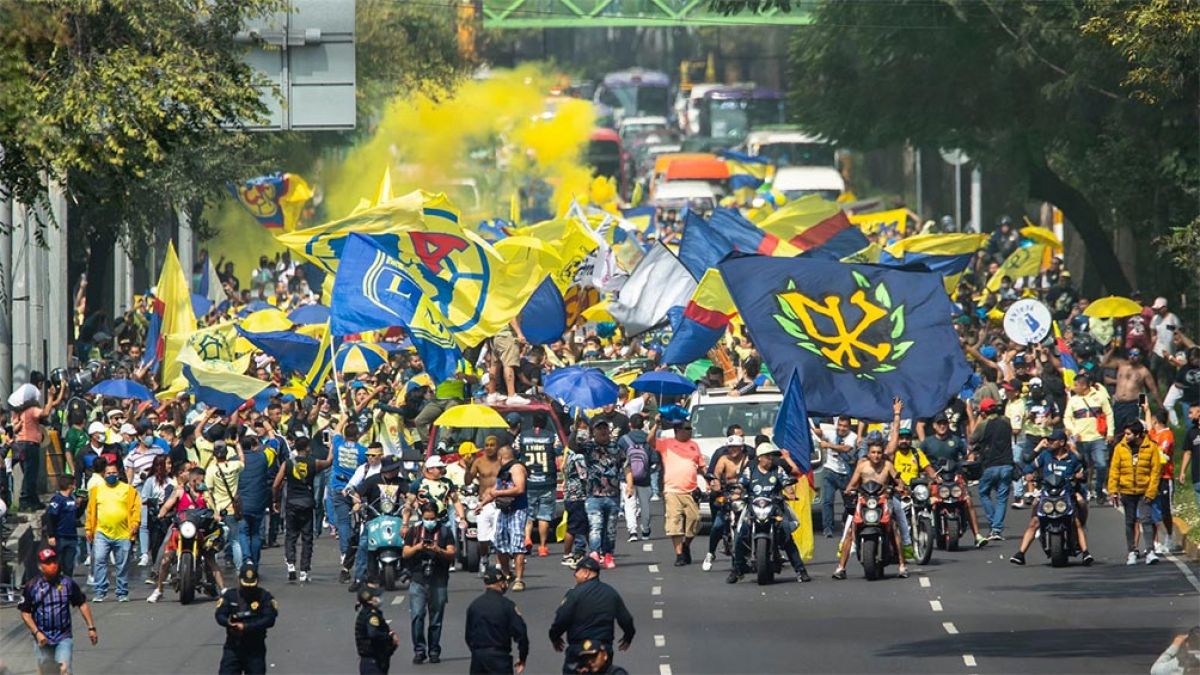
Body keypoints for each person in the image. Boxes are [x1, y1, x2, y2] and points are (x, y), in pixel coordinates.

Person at [727, 443, 811, 584]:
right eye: (767, 456)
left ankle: (800, 571)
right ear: (760, 458)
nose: (771, 458)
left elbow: (786, 483)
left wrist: (790, 493)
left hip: (774, 508)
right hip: (753, 508)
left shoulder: (777, 470)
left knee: (786, 534)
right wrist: (736, 494)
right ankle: (737, 570)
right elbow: (741, 485)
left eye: (771, 456)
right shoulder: (750, 470)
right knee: (741, 535)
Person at [1009, 430, 1093, 566]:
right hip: (1047, 494)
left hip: (1067, 494)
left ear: (1061, 442)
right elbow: (1029, 466)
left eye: (1052, 440)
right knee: (1034, 521)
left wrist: (1080, 476)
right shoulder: (1045, 455)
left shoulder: (1072, 458)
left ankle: (1085, 553)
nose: (1049, 443)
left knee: (1077, 516)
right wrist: (1028, 475)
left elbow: (1083, 470)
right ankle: (1020, 553)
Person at [148, 466, 227, 603]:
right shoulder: (179, 491)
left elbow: (214, 510)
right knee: (166, 559)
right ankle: (159, 589)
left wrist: (217, 516)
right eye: (201, 481)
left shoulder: (206, 494)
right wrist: (161, 514)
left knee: (210, 558)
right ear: (193, 480)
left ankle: (223, 589)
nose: (202, 483)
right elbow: (167, 506)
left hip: (199, 530)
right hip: (180, 529)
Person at [833, 435, 907, 580]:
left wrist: (900, 487)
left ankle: (902, 565)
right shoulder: (862, 466)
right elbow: (852, 484)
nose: (876, 455)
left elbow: (899, 481)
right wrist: (848, 491)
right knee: (850, 530)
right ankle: (841, 568)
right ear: (868, 453)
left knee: (894, 528)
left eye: (879, 452)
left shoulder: (888, 465)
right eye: (873, 452)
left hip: (883, 500)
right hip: (864, 501)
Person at [549, 556, 635, 675]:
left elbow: (561, 618)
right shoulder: (610, 593)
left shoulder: (574, 594)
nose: (575, 576)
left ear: (586, 572)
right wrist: (628, 636)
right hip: (602, 649)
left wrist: (555, 637)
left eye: (576, 572)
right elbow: (626, 619)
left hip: (578, 649)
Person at [18, 547, 98, 675]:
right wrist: (37, 632)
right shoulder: (32, 586)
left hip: (63, 636)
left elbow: (82, 604)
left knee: (64, 670)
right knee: (45, 671)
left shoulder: (67, 583)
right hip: (42, 638)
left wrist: (91, 628)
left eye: (54, 562)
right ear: (40, 566)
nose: (53, 565)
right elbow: (25, 613)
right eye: (48, 563)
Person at [272, 435, 333, 583]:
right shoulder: (314, 462)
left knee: (291, 536)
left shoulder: (287, 464)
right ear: (307, 448)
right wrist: (332, 446)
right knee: (307, 538)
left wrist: (276, 500)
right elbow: (329, 462)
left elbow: (276, 484)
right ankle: (304, 571)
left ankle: (291, 565)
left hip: (292, 503)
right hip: (307, 503)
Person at [402, 501, 456, 664]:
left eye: (432, 518)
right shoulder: (414, 531)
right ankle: (419, 650)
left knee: (436, 618)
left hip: (438, 579)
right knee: (417, 616)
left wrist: (438, 550)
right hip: (418, 579)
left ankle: (434, 650)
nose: (430, 521)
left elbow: (452, 553)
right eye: (427, 518)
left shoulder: (445, 531)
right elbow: (405, 553)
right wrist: (418, 547)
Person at [647, 418, 705, 566]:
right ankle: (679, 554)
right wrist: (656, 424)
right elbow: (650, 440)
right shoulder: (667, 444)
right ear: (677, 431)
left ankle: (686, 545)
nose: (689, 431)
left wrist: (710, 480)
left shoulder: (694, 445)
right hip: (672, 490)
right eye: (686, 429)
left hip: (690, 490)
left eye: (690, 429)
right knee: (675, 523)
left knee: (695, 520)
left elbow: (701, 466)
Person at [1108, 420, 1163, 565]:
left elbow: (1155, 471)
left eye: (1128, 434)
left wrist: (1151, 492)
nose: (1125, 436)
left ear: (1137, 434)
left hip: (1144, 491)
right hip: (1126, 491)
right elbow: (1114, 470)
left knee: (1146, 520)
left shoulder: (1151, 447)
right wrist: (1113, 491)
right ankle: (1131, 551)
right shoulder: (1120, 448)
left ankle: (1150, 551)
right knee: (1130, 522)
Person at [85, 461, 141, 602]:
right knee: (99, 560)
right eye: (108, 473)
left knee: (122, 564)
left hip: (123, 534)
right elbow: (90, 511)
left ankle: (122, 592)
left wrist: (135, 523)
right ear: (104, 474)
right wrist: (88, 529)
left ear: (118, 474)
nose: (111, 475)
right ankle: (100, 592)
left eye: (114, 473)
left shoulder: (128, 490)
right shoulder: (96, 490)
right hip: (101, 533)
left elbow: (136, 509)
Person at [353, 456, 411, 589]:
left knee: (407, 540)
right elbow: (357, 494)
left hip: (395, 518)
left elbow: (409, 494)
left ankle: (407, 570)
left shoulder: (400, 482)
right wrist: (357, 503)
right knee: (363, 545)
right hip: (374, 519)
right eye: (391, 469)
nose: (394, 472)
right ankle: (360, 578)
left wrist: (409, 501)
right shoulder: (372, 481)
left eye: (396, 469)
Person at [577, 420, 626, 568]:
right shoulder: (588, 447)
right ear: (594, 432)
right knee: (596, 526)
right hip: (594, 495)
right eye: (599, 428)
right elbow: (573, 446)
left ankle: (608, 555)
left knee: (610, 529)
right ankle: (594, 553)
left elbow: (625, 465)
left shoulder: (616, 448)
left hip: (613, 495)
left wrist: (629, 484)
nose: (603, 431)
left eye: (605, 428)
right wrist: (575, 428)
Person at [215, 562, 278, 675]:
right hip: (233, 647)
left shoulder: (264, 597)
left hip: (255, 647)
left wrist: (246, 627)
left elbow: (270, 619)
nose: (249, 589)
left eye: (251, 586)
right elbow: (220, 614)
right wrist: (228, 622)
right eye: (246, 585)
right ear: (239, 580)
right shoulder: (230, 596)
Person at [466, 564, 530, 675]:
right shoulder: (507, 606)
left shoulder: (474, 606)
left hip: (478, 659)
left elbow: (468, 636)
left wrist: (478, 653)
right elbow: (521, 634)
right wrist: (522, 657)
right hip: (499, 658)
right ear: (501, 583)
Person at [482, 444, 529, 591]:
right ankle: (507, 574)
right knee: (499, 543)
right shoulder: (503, 471)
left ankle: (519, 579)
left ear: (501, 457)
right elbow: (496, 490)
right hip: (504, 510)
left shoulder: (516, 468)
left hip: (517, 510)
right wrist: (482, 504)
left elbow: (520, 488)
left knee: (517, 544)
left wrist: (498, 494)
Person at [1062, 373, 1114, 505]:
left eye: (1076, 385)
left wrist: (1110, 432)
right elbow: (1067, 418)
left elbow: (1109, 414)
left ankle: (1098, 489)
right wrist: (1073, 432)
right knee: (1084, 467)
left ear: (1084, 385)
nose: (1074, 387)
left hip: (1098, 437)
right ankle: (1085, 492)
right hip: (1081, 439)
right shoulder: (1073, 400)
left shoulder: (1099, 396)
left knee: (1101, 464)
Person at [969, 398, 1014, 540]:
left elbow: (972, 439)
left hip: (990, 465)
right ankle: (996, 528)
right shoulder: (1006, 421)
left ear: (983, 412)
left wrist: (977, 419)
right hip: (1007, 464)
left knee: (983, 493)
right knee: (1002, 497)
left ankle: (994, 522)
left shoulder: (983, 425)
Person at [330, 421, 369, 584]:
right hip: (355, 490)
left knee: (343, 524)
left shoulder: (338, 444)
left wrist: (343, 418)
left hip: (338, 487)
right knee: (361, 524)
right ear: (358, 435)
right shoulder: (363, 451)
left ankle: (345, 553)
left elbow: (337, 430)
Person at [703, 433, 748, 571]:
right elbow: (716, 474)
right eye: (730, 447)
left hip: (743, 496)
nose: (732, 450)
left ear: (741, 448)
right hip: (727, 494)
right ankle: (711, 553)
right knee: (718, 524)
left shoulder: (747, 460)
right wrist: (715, 484)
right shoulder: (723, 459)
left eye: (735, 447)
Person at [519, 412, 560, 557]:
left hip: (528, 481)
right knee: (544, 515)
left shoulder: (522, 436)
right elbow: (559, 454)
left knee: (528, 514)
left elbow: (515, 451)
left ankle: (527, 539)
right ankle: (542, 546)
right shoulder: (551, 437)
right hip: (547, 481)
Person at [465, 434, 503, 574]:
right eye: (487, 445)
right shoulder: (478, 462)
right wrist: (468, 468)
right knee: (482, 538)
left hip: (500, 502)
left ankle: (500, 563)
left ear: (497, 446)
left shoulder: (502, 461)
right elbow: (468, 481)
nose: (489, 448)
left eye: (492, 445)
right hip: (483, 503)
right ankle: (484, 557)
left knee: (499, 535)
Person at [207, 441, 246, 570]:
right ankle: (239, 568)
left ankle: (214, 568)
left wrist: (213, 510)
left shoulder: (212, 470)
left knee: (215, 540)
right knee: (235, 541)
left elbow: (209, 491)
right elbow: (242, 460)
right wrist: (237, 445)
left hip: (218, 509)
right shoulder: (235, 466)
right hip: (232, 508)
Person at [818, 416, 857, 538]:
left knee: (849, 504)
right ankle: (828, 528)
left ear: (849, 427)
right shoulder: (830, 433)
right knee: (827, 501)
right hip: (830, 471)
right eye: (840, 425)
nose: (841, 428)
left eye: (844, 426)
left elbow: (846, 448)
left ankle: (849, 525)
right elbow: (818, 432)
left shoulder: (853, 437)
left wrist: (828, 445)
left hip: (846, 475)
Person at [619, 414, 655, 543]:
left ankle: (632, 531)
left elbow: (619, 459)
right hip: (644, 478)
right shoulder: (648, 439)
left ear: (630, 424)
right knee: (645, 505)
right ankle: (645, 530)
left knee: (630, 505)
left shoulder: (623, 440)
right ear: (642, 424)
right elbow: (654, 460)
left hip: (627, 478)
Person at [1146, 407, 1177, 554]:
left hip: (1165, 477)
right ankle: (1155, 541)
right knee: (1152, 510)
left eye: (1152, 419)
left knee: (1166, 511)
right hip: (1153, 478)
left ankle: (1170, 538)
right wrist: (1145, 409)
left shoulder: (1167, 435)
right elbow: (1147, 429)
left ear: (1156, 420)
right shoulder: (1154, 433)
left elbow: (1162, 455)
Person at [355, 585, 399, 674]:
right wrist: (389, 636)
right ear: (370, 600)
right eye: (377, 596)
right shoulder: (371, 616)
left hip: (371, 660)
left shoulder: (366, 612)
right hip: (373, 661)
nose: (379, 598)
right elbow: (373, 633)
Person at [44, 474, 82, 578]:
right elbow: (50, 517)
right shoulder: (57, 499)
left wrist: (81, 505)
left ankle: (67, 587)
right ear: (70, 485)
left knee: (69, 566)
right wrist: (51, 535)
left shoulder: (72, 498)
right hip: (60, 537)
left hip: (72, 537)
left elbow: (76, 515)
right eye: (74, 484)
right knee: (57, 565)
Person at [1179, 404, 1200, 513]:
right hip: (1197, 477)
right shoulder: (1191, 432)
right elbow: (1187, 453)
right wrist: (1182, 472)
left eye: (1191, 412)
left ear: (1199, 412)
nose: (1189, 416)